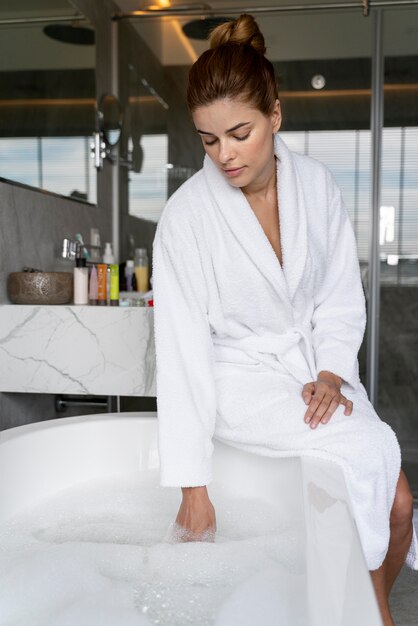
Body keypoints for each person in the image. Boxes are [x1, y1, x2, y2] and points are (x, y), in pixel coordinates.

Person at [152, 14, 417, 626]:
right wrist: (194, 489)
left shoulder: (318, 187)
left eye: (239, 133)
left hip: (311, 369)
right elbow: (183, 352)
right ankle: (374, 615)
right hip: (240, 381)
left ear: (275, 113)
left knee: (399, 506)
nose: (224, 155)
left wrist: (331, 371)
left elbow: (339, 298)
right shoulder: (186, 219)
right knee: (386, 484)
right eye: (208, 140)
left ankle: (361, 605)